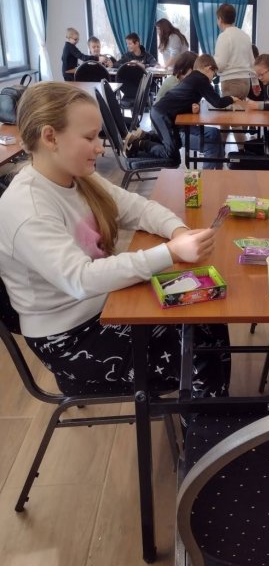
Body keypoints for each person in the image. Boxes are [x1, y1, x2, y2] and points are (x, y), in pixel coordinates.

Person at [0, 82, 230, 398]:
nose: (100, 148)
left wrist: (177, 232)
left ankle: (209, 416)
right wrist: (170, 253)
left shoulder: (77, 176)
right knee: (198, 351)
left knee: (208, 318)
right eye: (89, 138)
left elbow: (137, 208)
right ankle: (205, 426)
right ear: (50, 137)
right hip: (69, 336)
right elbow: (81, 279)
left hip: (102, 303)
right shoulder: (28, 209)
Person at [151, 54, 241, 169]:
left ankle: (217, 173)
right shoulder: (201, 79)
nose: (212, 79)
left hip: (168, 116)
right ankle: (143, 142)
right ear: (208, 68)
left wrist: (191, 108)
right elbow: (217, 102)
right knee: (172, 156)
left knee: (215, 133)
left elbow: (180, 100)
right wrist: (231, 98)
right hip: (162, 116)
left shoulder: (193, 77)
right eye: (213, 75)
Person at [214, 3, 255, 99]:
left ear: (220, 19)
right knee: (241, 108)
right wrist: (255, 82)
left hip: (231, 82)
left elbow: (220, 65)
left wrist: (211, 64)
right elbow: (252, 62)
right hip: (246, 82)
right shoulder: (245, 36)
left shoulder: (224, 36)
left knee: (232, 109)